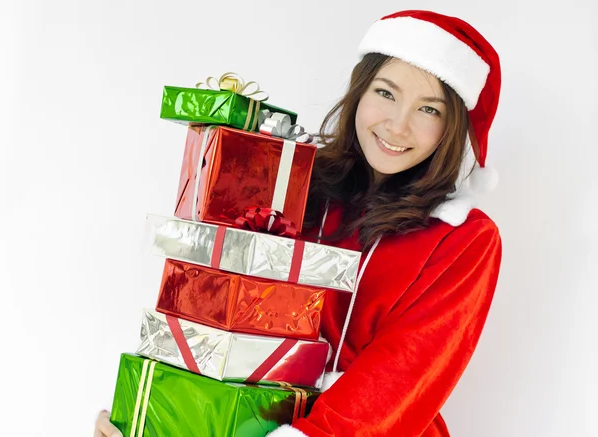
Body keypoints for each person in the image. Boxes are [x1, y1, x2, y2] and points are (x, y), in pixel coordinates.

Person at [95, 9, 502, 437]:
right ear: (359, 93)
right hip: (237, 418)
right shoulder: (292, 180)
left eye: (428, 109)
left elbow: (401, 377)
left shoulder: (464, 238)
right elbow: (206, 302)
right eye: (386, 93)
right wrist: (150, 408)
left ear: (452, 129)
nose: (398, 125)